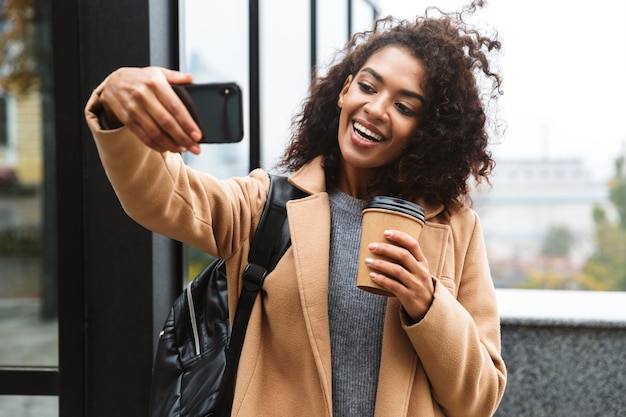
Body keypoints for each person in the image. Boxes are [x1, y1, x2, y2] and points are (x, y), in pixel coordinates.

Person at [85, 2, 507, 416]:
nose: (376, 109)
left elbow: (480, 399)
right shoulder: (269, 205)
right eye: (368, 86)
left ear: (426, 129)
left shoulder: (456, 229)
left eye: (404, 106)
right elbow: (163, 197)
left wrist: (429, 303)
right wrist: (115, 104)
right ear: (344, 91)